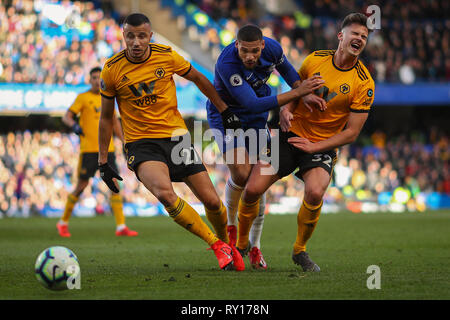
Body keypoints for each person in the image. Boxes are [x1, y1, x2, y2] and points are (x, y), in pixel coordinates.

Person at [97, 13, 245, 271]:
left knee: (212, 202)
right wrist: (102, 161)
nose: (136, 42)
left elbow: (198, 78)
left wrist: (223, 109)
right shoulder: (111, 70)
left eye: (141, 36)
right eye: (130, 36)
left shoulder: (166, 55)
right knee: (165, 194)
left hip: (176, 137)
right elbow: (107, 117)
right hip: (142, 144)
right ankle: (216, 244)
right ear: (123, 36)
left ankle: (227, 245)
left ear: (150, 36)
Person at [236, 13, 375, 271]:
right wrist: (287, 111)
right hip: (290, 136)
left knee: (315, 191)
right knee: (253, 189)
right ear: (341, 36)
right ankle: (242, 245)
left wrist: (315, 147)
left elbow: (351, 133)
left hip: (320, 145)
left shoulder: (364, 83)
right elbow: (295, 89)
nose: (359, 39)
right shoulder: (315, 59)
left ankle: (299, 250)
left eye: (364, 36)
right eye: (355, 33)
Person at [206, 24, 325, 269]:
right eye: (244, 51)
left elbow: (289, 72)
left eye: (254, 52)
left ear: (262, 45)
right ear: (236, 45)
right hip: (228, 115)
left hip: (256, 119)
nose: (249, 57)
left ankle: (255, 246)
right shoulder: (226, 63)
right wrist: (297, 93)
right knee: (240, 172)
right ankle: (231, 227)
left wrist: (303, 93)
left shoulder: (273, 48)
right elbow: (252, 104)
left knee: (256, 181)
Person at [57, 67, 138, 237]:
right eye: (93, 77)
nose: (95, 80)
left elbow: (115, 122)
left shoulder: (107, 98)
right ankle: (63, 222)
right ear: (89, 80)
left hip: (108, 150)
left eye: (98, 77)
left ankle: (121, 226)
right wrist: (74, 126)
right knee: (81, 186)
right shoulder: (83, 98)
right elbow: (67, 117)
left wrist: (124, 142)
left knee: (115, 185)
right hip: (89, 150)